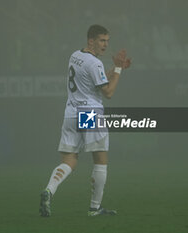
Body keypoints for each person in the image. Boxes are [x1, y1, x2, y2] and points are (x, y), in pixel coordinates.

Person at [39, 24, 131, 217]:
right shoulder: (94, 63)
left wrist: (114, 67)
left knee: (69, 160)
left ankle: (49, 190)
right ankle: (94, 208)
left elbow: (95, 80)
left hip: (71, 113)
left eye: (107, 40)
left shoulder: (75, 56)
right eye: (101, 40)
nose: (105, 45)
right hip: (89, 113)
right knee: (100, 160)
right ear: (91, 40)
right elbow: (108, 92)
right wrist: (119, 70)